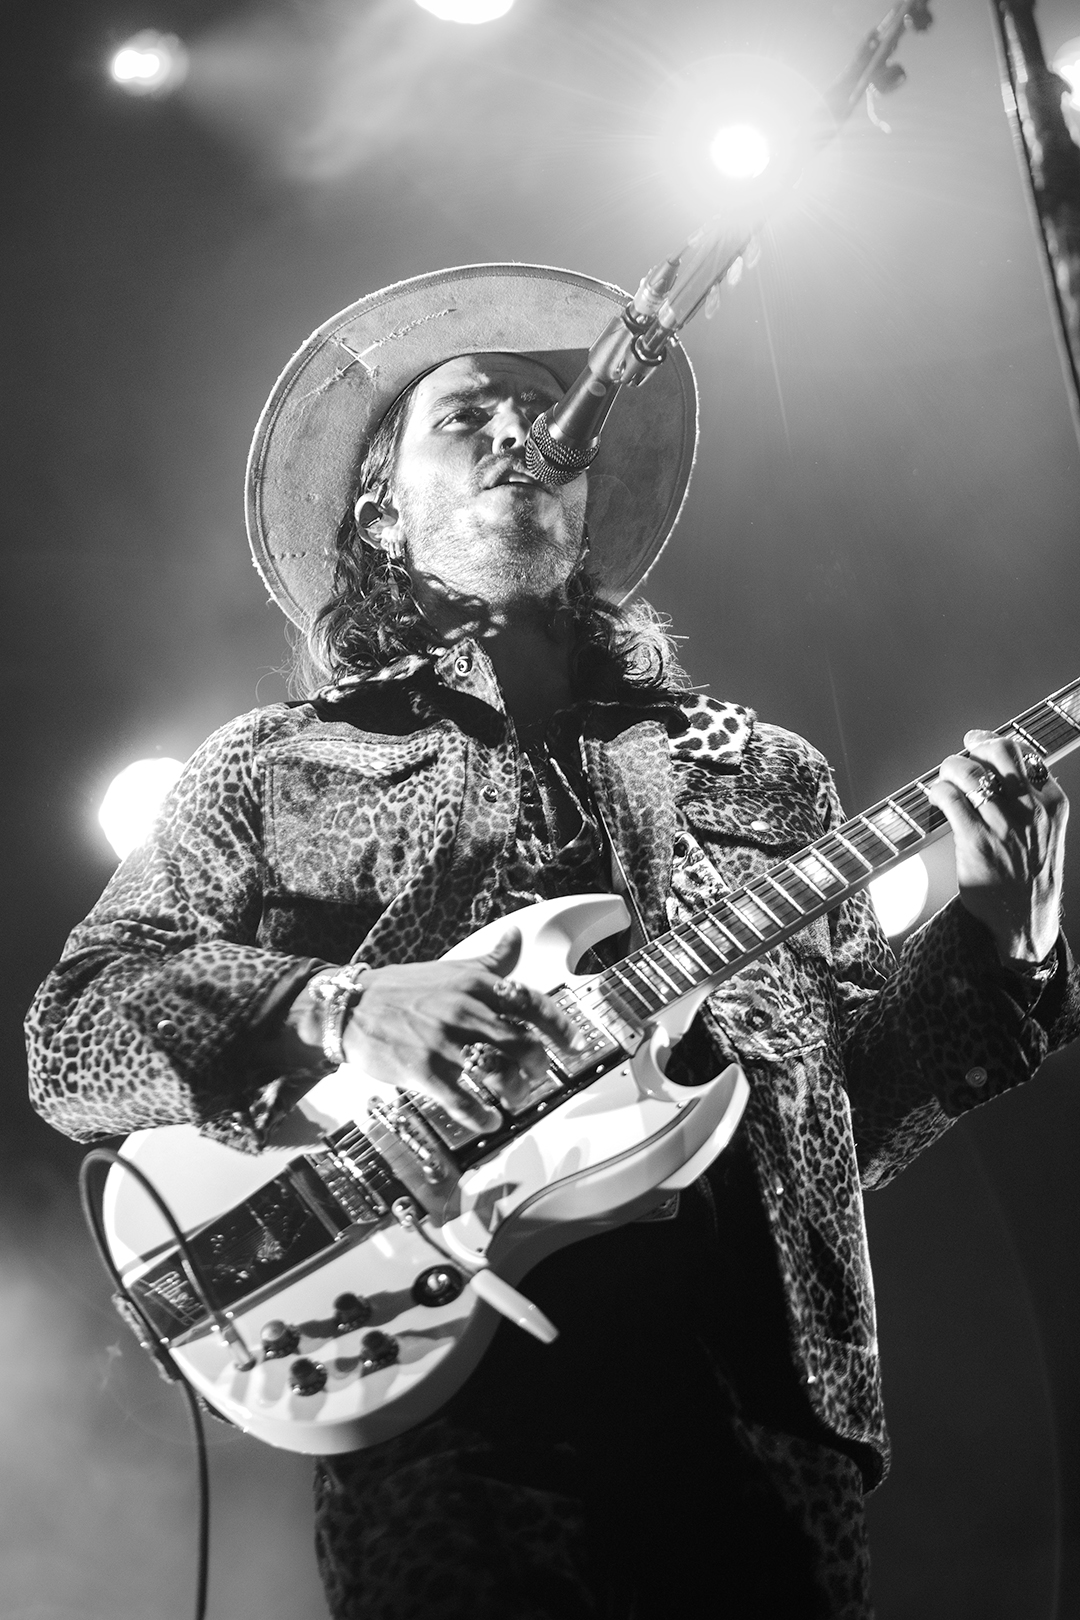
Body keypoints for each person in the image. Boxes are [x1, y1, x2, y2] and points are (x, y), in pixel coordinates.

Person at [25, 263, 1079, 1619]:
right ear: (382, 509)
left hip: (759, 1396)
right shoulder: (275, 768)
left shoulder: (761, 775)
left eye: (539, 411)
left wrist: (1003, 948)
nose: (523, 430)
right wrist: (341, 1007)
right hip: (448, 1394)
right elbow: (78, 1030)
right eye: (468, 415)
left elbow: (844, 1121)